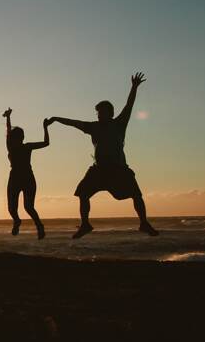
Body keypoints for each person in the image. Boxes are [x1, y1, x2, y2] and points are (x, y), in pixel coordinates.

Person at [48, 72, 159, 239]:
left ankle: (143, 223)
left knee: (136, 194)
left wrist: (134, 87)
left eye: (101, 112)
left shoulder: (119, 124)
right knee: (83, 194)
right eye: (97, 113)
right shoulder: (93, 127)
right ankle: (85, 224)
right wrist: (56, 118)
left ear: (110, 113)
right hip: (99, 170)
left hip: (118, 169)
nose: (98, 115)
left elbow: (129, 106)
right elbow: (74, 123)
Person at [3, 108, 50, 238]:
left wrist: (45, 127)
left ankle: (39, 226)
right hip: (15, 178)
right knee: (12, 208)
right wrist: (8, 117)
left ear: (22, 138)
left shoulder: (27, 146)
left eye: (20, 137)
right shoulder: (10, 146)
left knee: (28, 207)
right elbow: (7, 131)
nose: (19, 139)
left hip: (28, 178)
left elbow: (46, 143)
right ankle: (17, 221)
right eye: (16, 137)